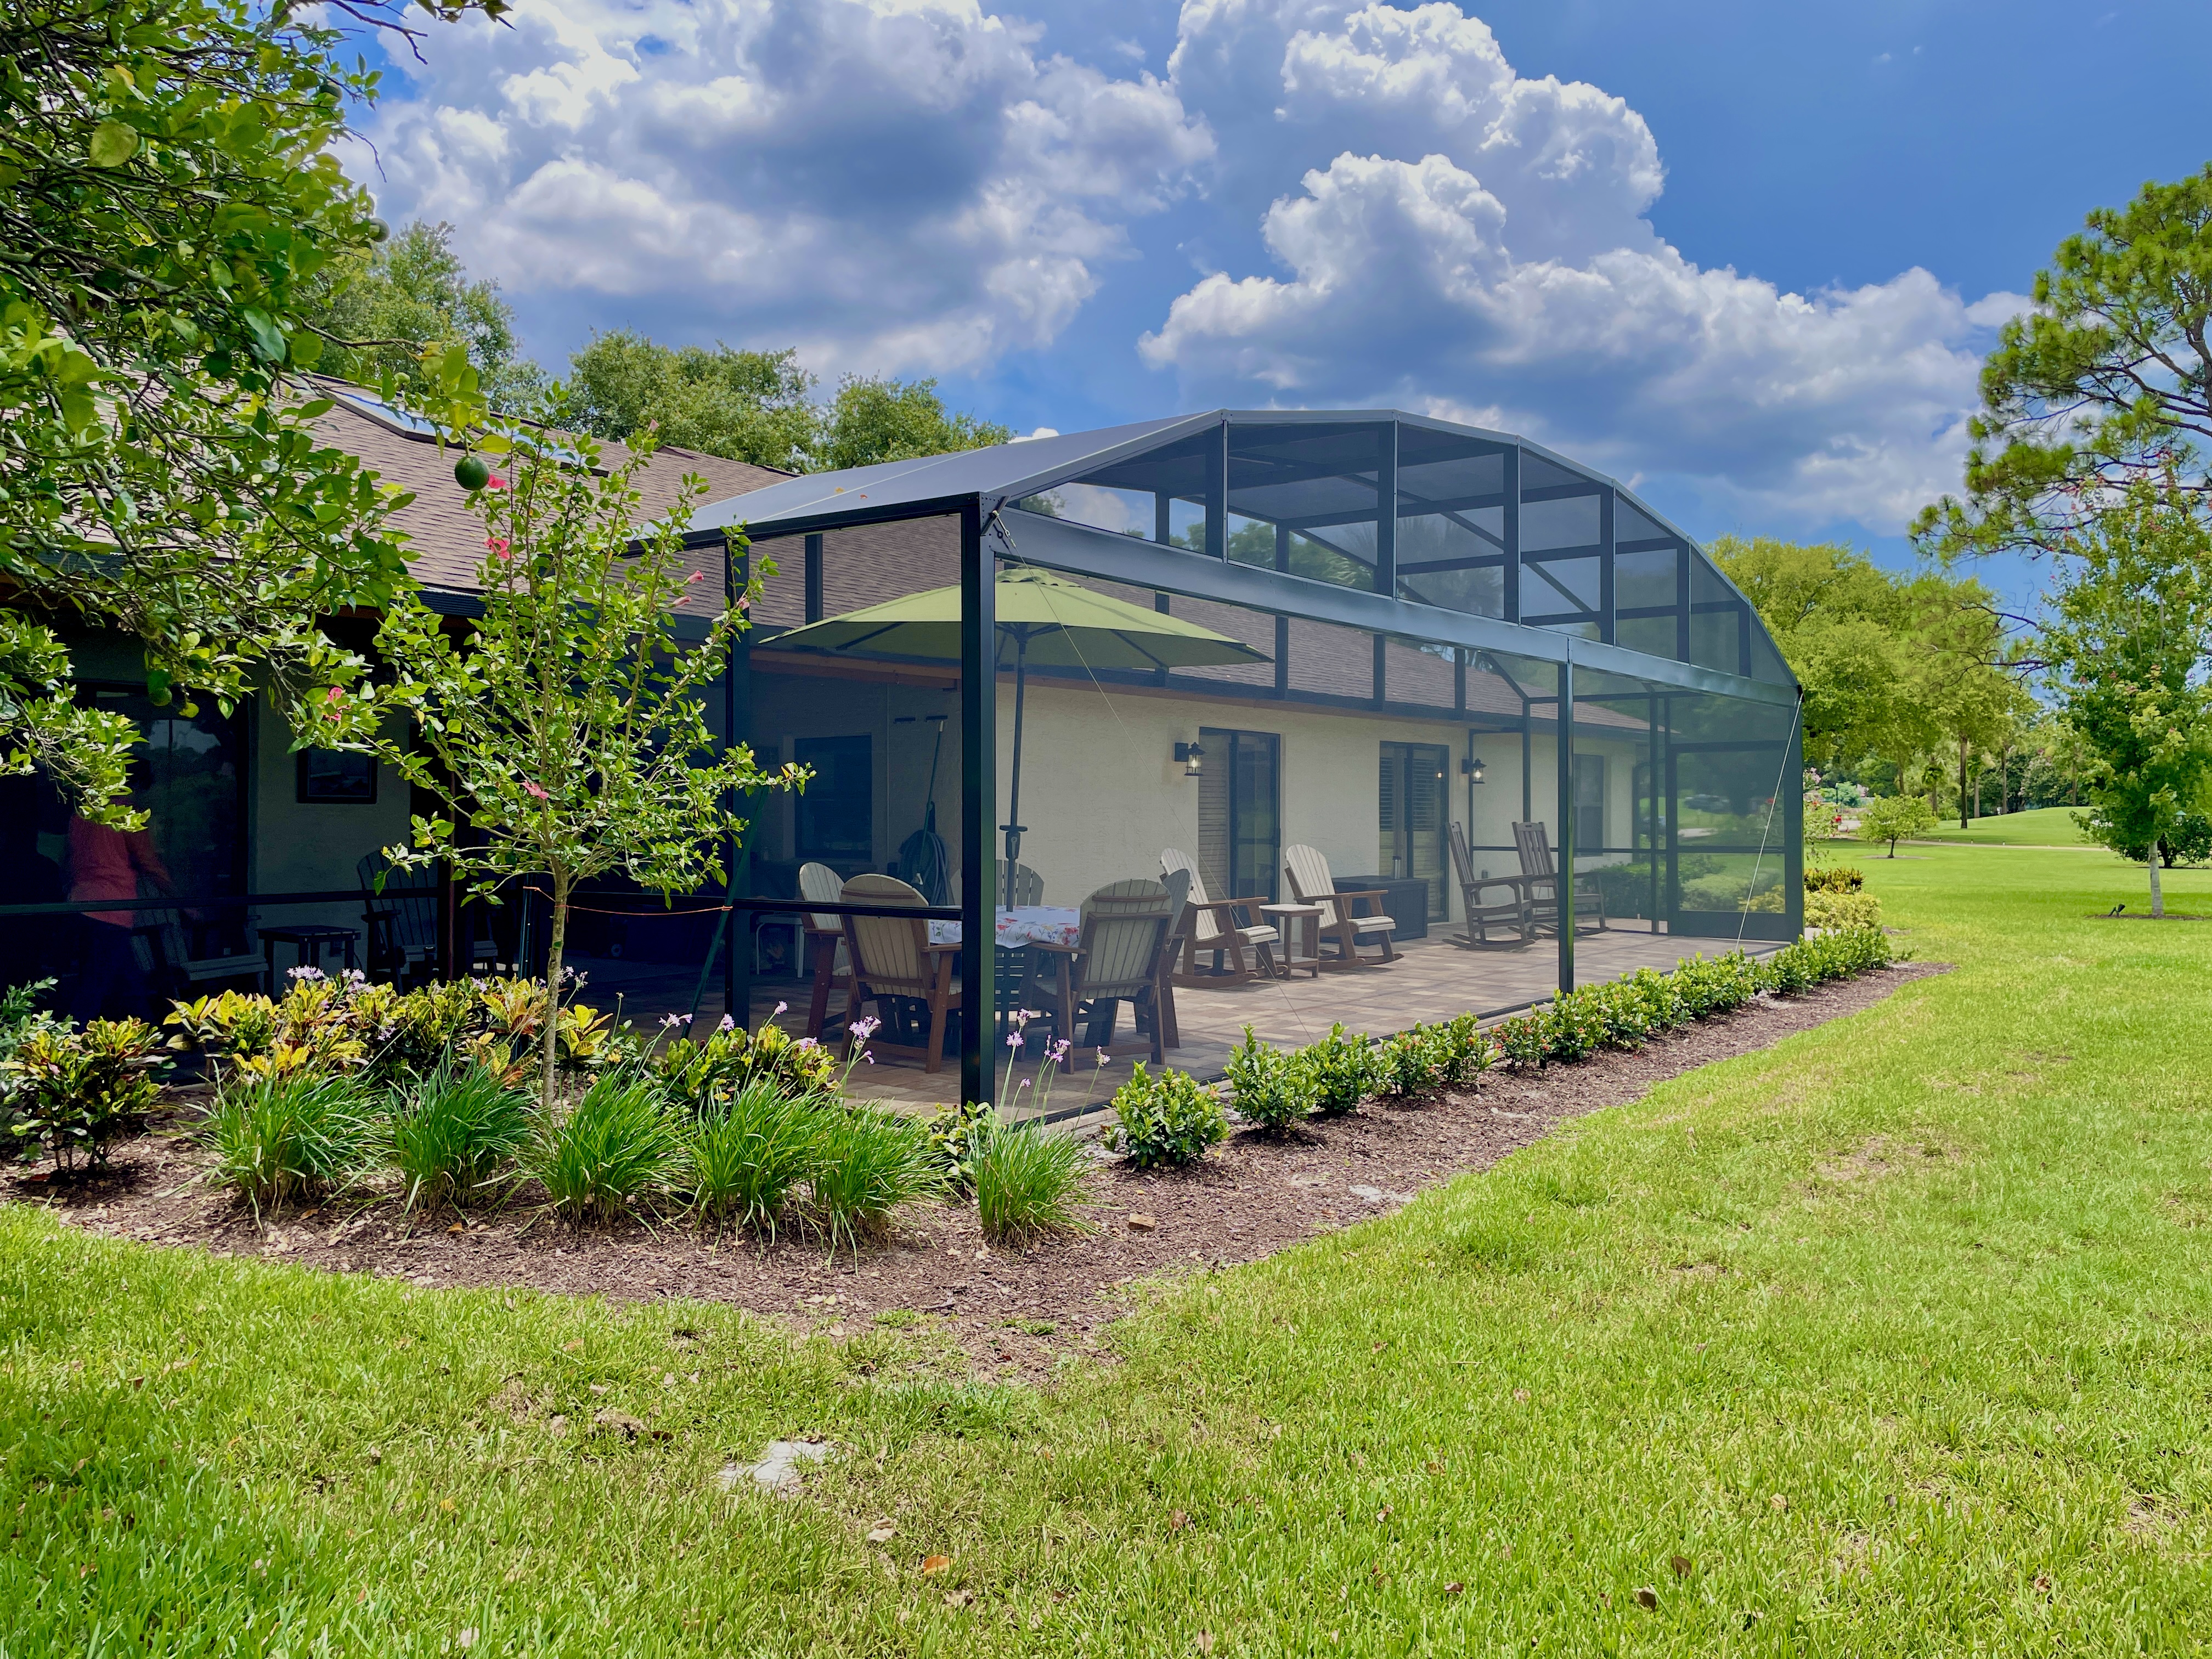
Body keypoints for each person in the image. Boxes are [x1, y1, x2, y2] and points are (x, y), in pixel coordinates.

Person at [67, 762, 172, 1023]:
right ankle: (70, 1042)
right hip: (112, 907)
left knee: (120, 978)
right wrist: (183, 902)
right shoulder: (127, 815)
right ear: (136, 785)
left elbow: (68, 859)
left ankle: (148, 1036)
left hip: (80, 904)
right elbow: (148, 861)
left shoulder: (83, 814)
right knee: (97, 986)